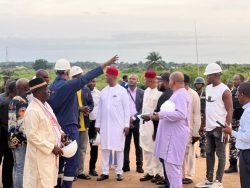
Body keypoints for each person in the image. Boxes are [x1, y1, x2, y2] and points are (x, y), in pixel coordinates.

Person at [48, 56, 118, 188]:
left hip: (57, 128)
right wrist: (105, 64)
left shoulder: (51, 87)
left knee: (59, 160)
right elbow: (85, 78)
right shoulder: (66, 85)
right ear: (67, 72)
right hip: (69, 128)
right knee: (71, 160)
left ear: (56, 71)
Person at [149, 71, 189, 188]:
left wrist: (161, 115)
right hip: (172, 136)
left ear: (173, 82)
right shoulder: (177, 93)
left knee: (173, 169)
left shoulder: (180, 94)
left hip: (174, 137)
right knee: (172, 170)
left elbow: (181, 114)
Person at [196, 63, 233, 188]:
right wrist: (203, 125)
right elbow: (207, 108)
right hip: (209, 127)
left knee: (221, 155)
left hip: (220, 128)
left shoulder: (225, 90)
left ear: (216, 74)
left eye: (209, 75)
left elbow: (230, 110)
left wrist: (227, 128)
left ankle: (218, 181)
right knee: (209, 153)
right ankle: (208, 179)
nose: (207, 78)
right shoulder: (208, 89)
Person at [23, 77, 64, 188]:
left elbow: (53, 123)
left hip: (48, 155)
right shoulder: (32, 111)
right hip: (40, 155)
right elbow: (32, 136)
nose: (49, 91)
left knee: (48, 182)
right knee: (40, 183)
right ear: (38, 92)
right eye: (46, 89)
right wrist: (51, 147)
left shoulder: (46, 106)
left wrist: (61, 134)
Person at [95, 67, 130, 181]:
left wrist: (126, 125)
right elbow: (100, 109)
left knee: (119, 149)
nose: (106, 77)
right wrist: (98, 124)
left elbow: (127, 109)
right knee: (105, 148)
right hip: (105, 126)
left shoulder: (122, 91)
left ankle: (119, 172)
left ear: (113, 77)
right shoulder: (103, 91)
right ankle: (105, 172)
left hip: (119, 126)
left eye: (107, 75)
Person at [222, 82, 250, 188]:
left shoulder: (248, 112)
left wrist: (231, 132)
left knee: (246, 183)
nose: (236, 95)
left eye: (237, 92)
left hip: (247, 153)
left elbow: (248, 137)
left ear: (242, 94)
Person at [70, 66, 94, 180]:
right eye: (78, 76)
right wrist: (79, 109)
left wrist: (88, 109)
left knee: (83, 149)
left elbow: (91, 103)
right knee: (72, 149)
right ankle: (71, 173)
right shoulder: (69, 90)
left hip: (84, 124)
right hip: (73, 124)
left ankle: (80, 171)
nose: (80, 78)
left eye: (81, 76)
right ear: (73, 77)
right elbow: (67, 107)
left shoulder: (86, 90)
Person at [139, 70, 163, 183]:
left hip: (154, 125)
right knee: (146, 148)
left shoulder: (159, 93)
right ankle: (149, 172)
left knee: (155, 149)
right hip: (144, 124)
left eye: (145, 80)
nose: (144, 81)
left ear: (151, 80)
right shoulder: (146, 91)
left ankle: (158, 173)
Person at [8, 78, 30, 188]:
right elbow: (23, 126)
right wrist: (29, 138)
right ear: (26, 88)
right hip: (21, 140)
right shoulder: (22, 102)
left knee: (16, 166)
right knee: (21, 167)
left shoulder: (13, 100)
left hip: (12, 138)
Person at [123, 74, 144, 173]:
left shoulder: (141, 93)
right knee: (125, 144)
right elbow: (120, 107)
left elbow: (143, 108)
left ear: (137, 81)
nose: (131, 80)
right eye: (130, 79)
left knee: (138, 145)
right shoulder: (123, 92)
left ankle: (139, 165)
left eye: (133, 79)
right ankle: (125, 165)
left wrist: (133, 118)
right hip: (125, 122)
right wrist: (127, 119)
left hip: (137, 122)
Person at [183, 74, 201, 185]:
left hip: (190, 129)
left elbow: (197, 115)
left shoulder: (193, 95)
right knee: (179, 154)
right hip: (179, 130)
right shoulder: (177, 93)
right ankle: (180, 175)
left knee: (189, 154)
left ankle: (189, 176)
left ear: (185, 83)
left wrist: (195, 132)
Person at [224, 74, 245, 173]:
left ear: (242, 80)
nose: (234, 81)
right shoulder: (232, 92)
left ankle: (244, 165)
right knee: (233, 143)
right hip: (234, 121)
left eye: (236, 79)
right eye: (233, 79)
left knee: (244, 142)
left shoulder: (246, 92)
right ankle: (233, 165)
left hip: (244, 121)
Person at [0, 79, 16, 188]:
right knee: (8, 163)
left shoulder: (1, 98)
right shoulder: (12, 102)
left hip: (2, 136)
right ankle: (7, 185)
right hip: (8, 136)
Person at [87, 78, 100, 176]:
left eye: (94, 81)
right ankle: (77, 170)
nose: (92, 83)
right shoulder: (81, 92)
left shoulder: (99, 94)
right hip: (82, 123)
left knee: (94, 146)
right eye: (90, 81)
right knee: (80, 147)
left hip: (94, 124)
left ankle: (92, 168)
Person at [194, 77, 206, 158]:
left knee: (203, 133)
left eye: (200, 83)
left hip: (202, 114)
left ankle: (203, 150)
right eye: (197, 83)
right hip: (194, 115)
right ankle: (193, 151)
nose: (198, 85)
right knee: (193, 132)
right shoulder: (193, 93)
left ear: (202, 84)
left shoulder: (205, 93)